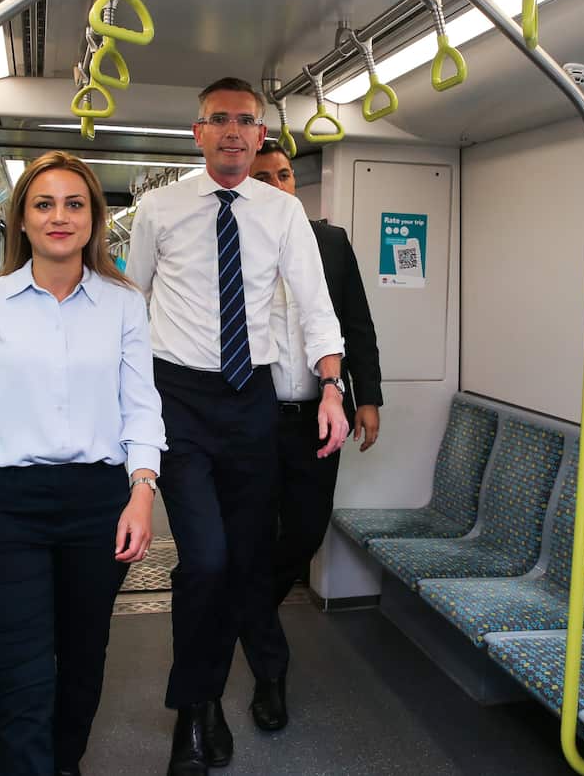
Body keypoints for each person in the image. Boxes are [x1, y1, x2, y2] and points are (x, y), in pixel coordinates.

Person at [126, 78, 349, 776]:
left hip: (250, 396)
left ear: (260, 136)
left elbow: (316, 306)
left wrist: (334, 387)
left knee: (242, 561)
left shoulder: (282, 213)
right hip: (180, 399)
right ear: (198, 133)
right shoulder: (156, 211)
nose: (231, 130)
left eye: (244, 121)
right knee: (208, 560)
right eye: (218, 119)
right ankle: (193, 711)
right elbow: (131, 309)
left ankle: (206, 699)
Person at [0, 151, 166, 776]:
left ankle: (63, 763)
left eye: (74, 204)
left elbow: (141, 407)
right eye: (44, 204)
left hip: (98, 505)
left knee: (83, 662)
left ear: (94, 219)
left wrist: (141, 493)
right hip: (8, 506)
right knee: (22, 675)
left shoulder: (124, 304)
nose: (59, 216)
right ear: (23, 219)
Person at [239, 139, 383, 731]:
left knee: (303, 533)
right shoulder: (233, 245)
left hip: (317, 418)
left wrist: (367, 397)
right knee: (247, 538)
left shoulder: (331, 242)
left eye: (283, 176)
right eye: (263, 178)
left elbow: (357, 324)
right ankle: (270, 674)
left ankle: (241, 613)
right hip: (250, 421)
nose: (277, 186)